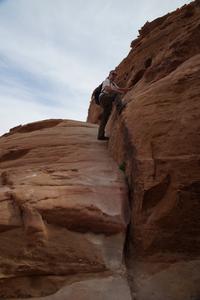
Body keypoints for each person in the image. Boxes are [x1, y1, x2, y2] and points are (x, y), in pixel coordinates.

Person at [97, 70, 131, 140]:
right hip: (104, 97)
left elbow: (120, 89)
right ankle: (120, 107)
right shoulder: (107, 81)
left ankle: (100, 135)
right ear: (109, 75)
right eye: (112, 74)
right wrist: (119, 91)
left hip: (107, 101)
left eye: (115, 75)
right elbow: (107, 89)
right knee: (116, 94)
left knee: (105, 117)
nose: (114, 76)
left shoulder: (113, 84)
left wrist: (129, 89)